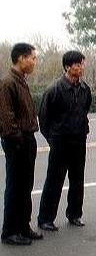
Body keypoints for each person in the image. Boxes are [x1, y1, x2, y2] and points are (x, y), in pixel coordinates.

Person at [38, 51, 92, 231]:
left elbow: (85, 110)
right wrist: (53, 139)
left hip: (78, 140)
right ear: (67, 67)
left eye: (82, 64)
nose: (81, 68)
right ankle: (45, 218)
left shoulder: (84, 89)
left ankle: (75, 214)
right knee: (54, 180)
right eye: (77, 65)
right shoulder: (54, 90)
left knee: (77, 179)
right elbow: (44, 119)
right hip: (60, 142)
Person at [0, 43, 42, 245]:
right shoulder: (7, 83)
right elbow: (7, 118)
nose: (34, 62)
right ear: (21, 58)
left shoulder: (21, 81)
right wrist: (17, 138)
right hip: (17, 141)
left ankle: (23, 226)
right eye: (32, 58)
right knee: (15, 187)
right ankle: (10, 231)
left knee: (26, 186)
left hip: (27, 139)